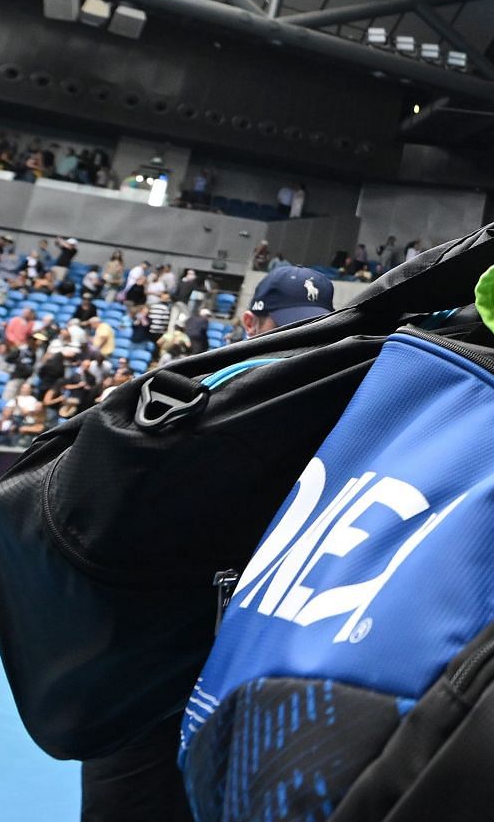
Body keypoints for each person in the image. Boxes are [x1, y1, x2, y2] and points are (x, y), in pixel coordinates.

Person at [80, 261, 338, 820]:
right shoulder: (184, 397)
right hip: (152, 667)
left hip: (256, 666)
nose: (300, 338)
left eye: (315, 325)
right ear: (250, 322)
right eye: (287, 324)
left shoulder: (338, 406)